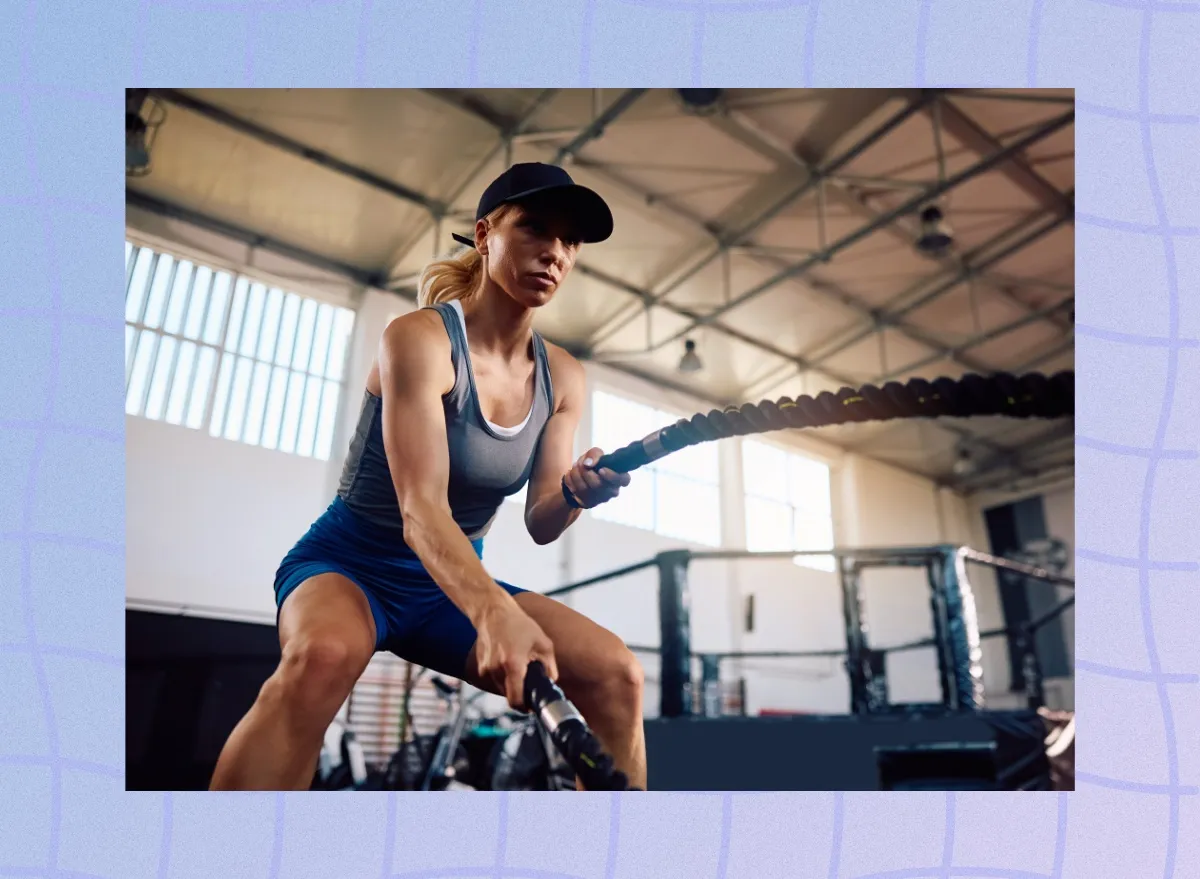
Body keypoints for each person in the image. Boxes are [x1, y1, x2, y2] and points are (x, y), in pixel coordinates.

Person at [209, 162, 646, 791]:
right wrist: (495, 614)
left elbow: (544, 520)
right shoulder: (418, 339)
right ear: (486, 233)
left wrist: (577, 493)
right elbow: (420, 511)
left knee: (618, 673)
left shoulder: (563, 376)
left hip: (450, 584)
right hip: (351, 564)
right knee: (322, 658)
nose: (553, 251)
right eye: (533, 229)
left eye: (569, 242)